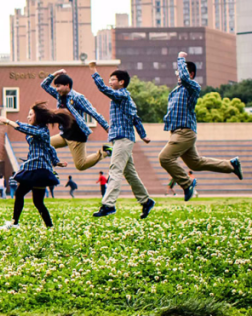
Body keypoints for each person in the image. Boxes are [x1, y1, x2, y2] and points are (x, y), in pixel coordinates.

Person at [158, 53, 242, 201]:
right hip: (177, 132)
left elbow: (184, 79)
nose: (179, 75)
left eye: (181, 71)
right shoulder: (175, 92)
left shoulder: (192, 88)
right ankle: (231, 165)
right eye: (178, 72)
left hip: (185, 133)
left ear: (190, 74)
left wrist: (180, 58)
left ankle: (187, 184)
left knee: (164, 158)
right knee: (195, 163)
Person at [89, 63, 155, 219]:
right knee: (130, 173)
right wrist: (143, 135)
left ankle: (108, 205)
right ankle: (146, 201)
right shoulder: (127, 99)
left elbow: (103, 89)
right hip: (122, 139)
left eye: (113, 79)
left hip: (122, 139)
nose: (110, 82)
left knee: (115, 170)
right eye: (109, 79)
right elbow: (135, 119)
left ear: (121, 82)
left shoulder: (122, 95)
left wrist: (94, 72)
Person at [0, 103, 69, 229]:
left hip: (38, 170)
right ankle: (49, 226)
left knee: (20, 194)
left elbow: (25, 129)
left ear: (38, 117)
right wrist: (56, 162)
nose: (28, 117)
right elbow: (49, 147)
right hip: (36, 169)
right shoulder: (35, 131)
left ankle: (15, 223)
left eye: (31, 114)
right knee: (37, 201)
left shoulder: (41, 131)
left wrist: (8, 121)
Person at [40, 70, 112, 172]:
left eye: (58, 86)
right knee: (44, 144)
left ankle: (105, 152)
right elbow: (44, 85)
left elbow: (93, 112)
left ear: (67, 85)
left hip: (76, 134)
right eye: (56, 87)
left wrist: (106, 127)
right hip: (65, 133)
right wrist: (56, 73)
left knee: (80, 165)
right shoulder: (59, 95)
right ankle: (50, 171)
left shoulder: (78, 98)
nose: (57, 89)